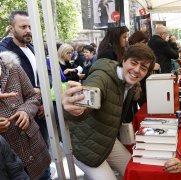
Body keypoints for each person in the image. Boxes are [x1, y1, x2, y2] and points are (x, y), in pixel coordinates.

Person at [62, 44, 156, 179]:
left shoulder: (128, 82)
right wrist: (75, 109)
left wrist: (135, 88)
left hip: (106, 138)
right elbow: (87, 98)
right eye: (134, 63)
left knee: (134, 172)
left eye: (143, 68)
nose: (136, 70)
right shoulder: (102, 77)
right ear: (124, 60)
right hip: (83, 144)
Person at [0, 10, 51, 179]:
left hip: (34, 118)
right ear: (11, 28)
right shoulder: (5, 52)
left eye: (30, 26)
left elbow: (41, 79)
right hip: (11, 143)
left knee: (44, 164)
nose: (28, 30)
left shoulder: (33, 48)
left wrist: (40, 100)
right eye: (23, 26)